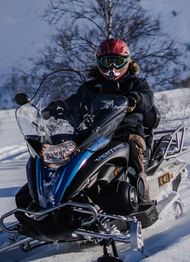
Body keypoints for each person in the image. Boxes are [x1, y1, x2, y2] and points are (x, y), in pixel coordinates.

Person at [50, 38, 155, 206]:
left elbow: (147, 98)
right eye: (108, 62)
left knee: (134, 152)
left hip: (127, 133)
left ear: (126, 61)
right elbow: (75, 104)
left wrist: (136, 98)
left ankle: (143, 200)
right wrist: (61, 108)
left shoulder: (136, 83)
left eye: (117, 62)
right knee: (68, 158)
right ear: (99, 62)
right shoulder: (90, 87)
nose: (112, 67)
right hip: (93, 136)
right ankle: (63, 198)